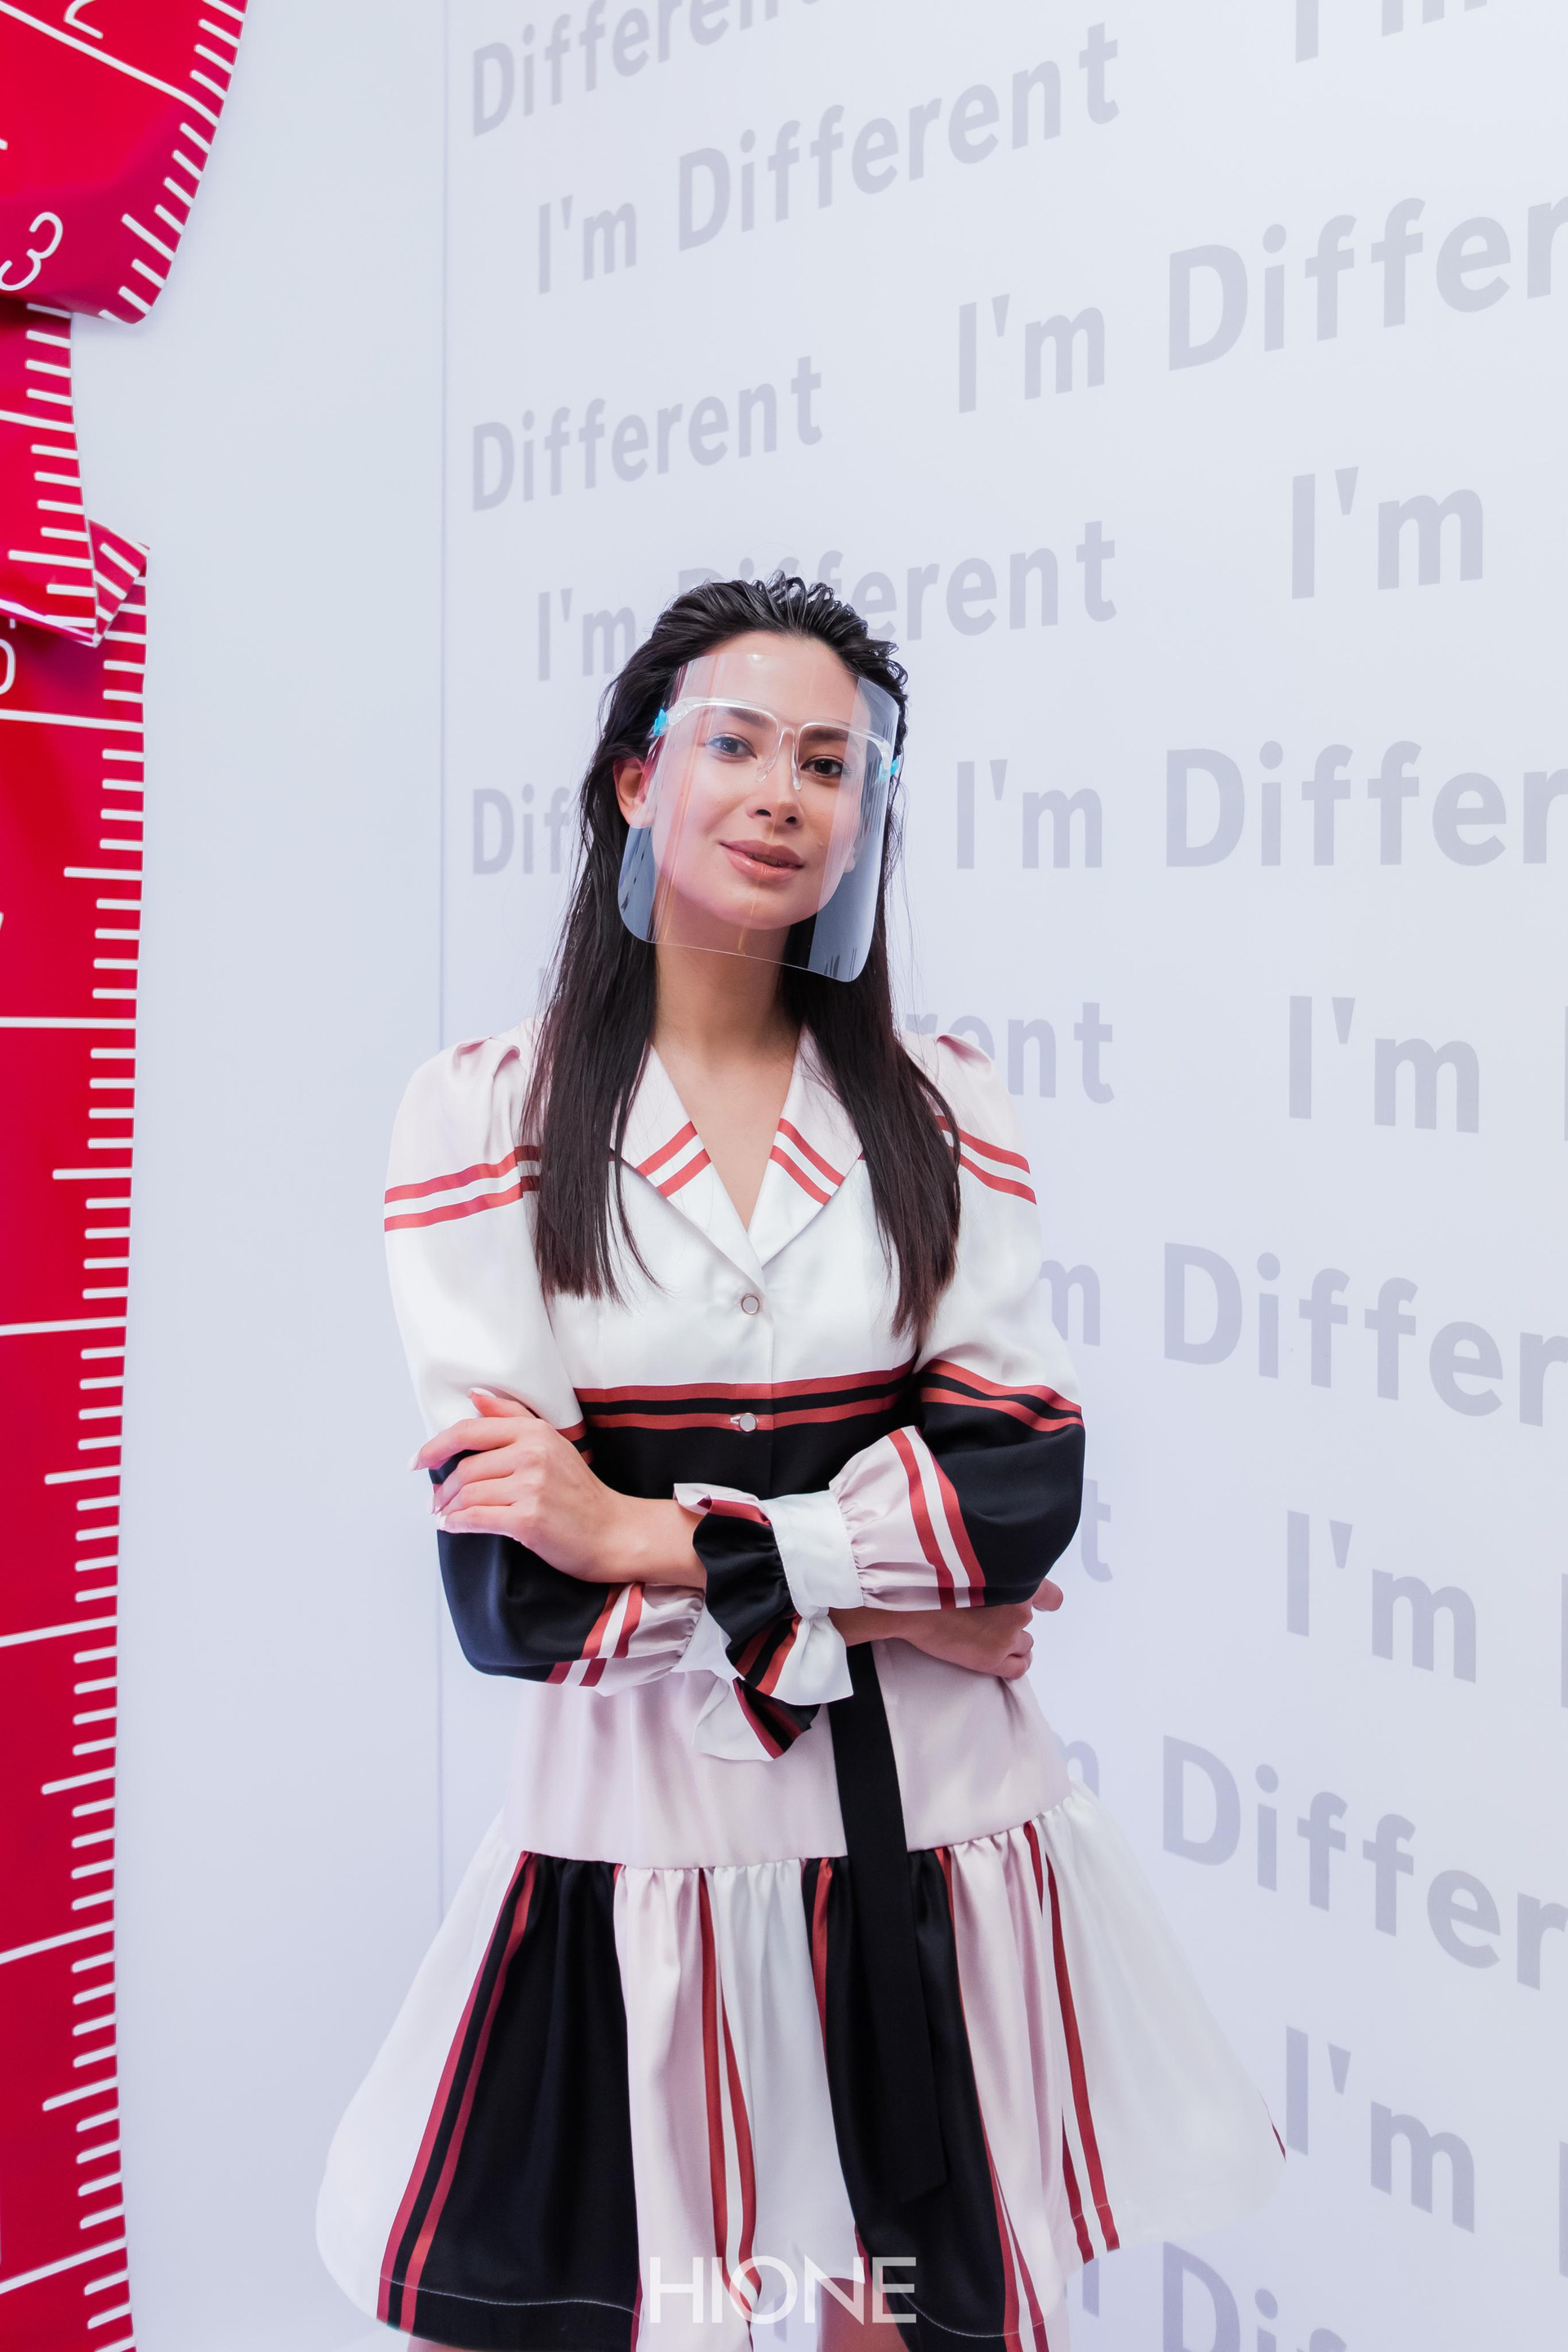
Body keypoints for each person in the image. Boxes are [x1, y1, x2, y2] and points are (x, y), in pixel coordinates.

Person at [317, 577, 1281, 2352]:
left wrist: (645, 1531)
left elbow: (1017, 1490)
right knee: (620, 2302)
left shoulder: (941, 1104)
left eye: (831, 764)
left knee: (896, 2315)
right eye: (739, 745)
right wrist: (903, 1609)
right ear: (637, 780)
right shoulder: (484, 1116)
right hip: (635, 1852)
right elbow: (518, 1591)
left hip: (932, 1837)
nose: (784, 794)